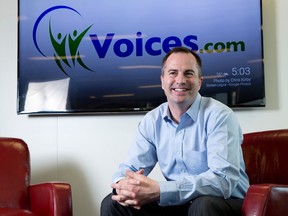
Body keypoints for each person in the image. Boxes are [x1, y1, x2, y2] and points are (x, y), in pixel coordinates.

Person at [100, 46, 250, 216]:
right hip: (179, 202)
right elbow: (131, 167)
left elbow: (223, 180)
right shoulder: (152, 120)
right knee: (114, 203)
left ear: (200, 81)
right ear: (162, 80)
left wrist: (161, 190)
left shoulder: (220, 116)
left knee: (203, 205)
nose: (180, 80)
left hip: (226, 202)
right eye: (173, 73)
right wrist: (124, 184)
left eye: (188, 73)